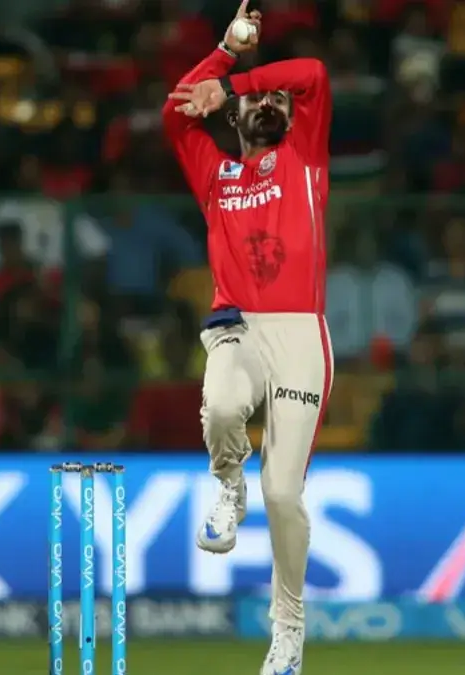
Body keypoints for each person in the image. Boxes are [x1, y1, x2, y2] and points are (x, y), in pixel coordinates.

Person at [163, 3, 333, 674]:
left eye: (276, 100)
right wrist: (225, 53)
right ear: (232, 120)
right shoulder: (216, 175)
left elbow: (313, 73)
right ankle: (228, 484)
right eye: (256, 101)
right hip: (236, 324)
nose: (269, 104)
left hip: (300, 334)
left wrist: (236, 80)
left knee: (285, 495)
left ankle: (288, 629)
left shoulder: (305, 156)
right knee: (225, 404)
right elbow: (175, 111)